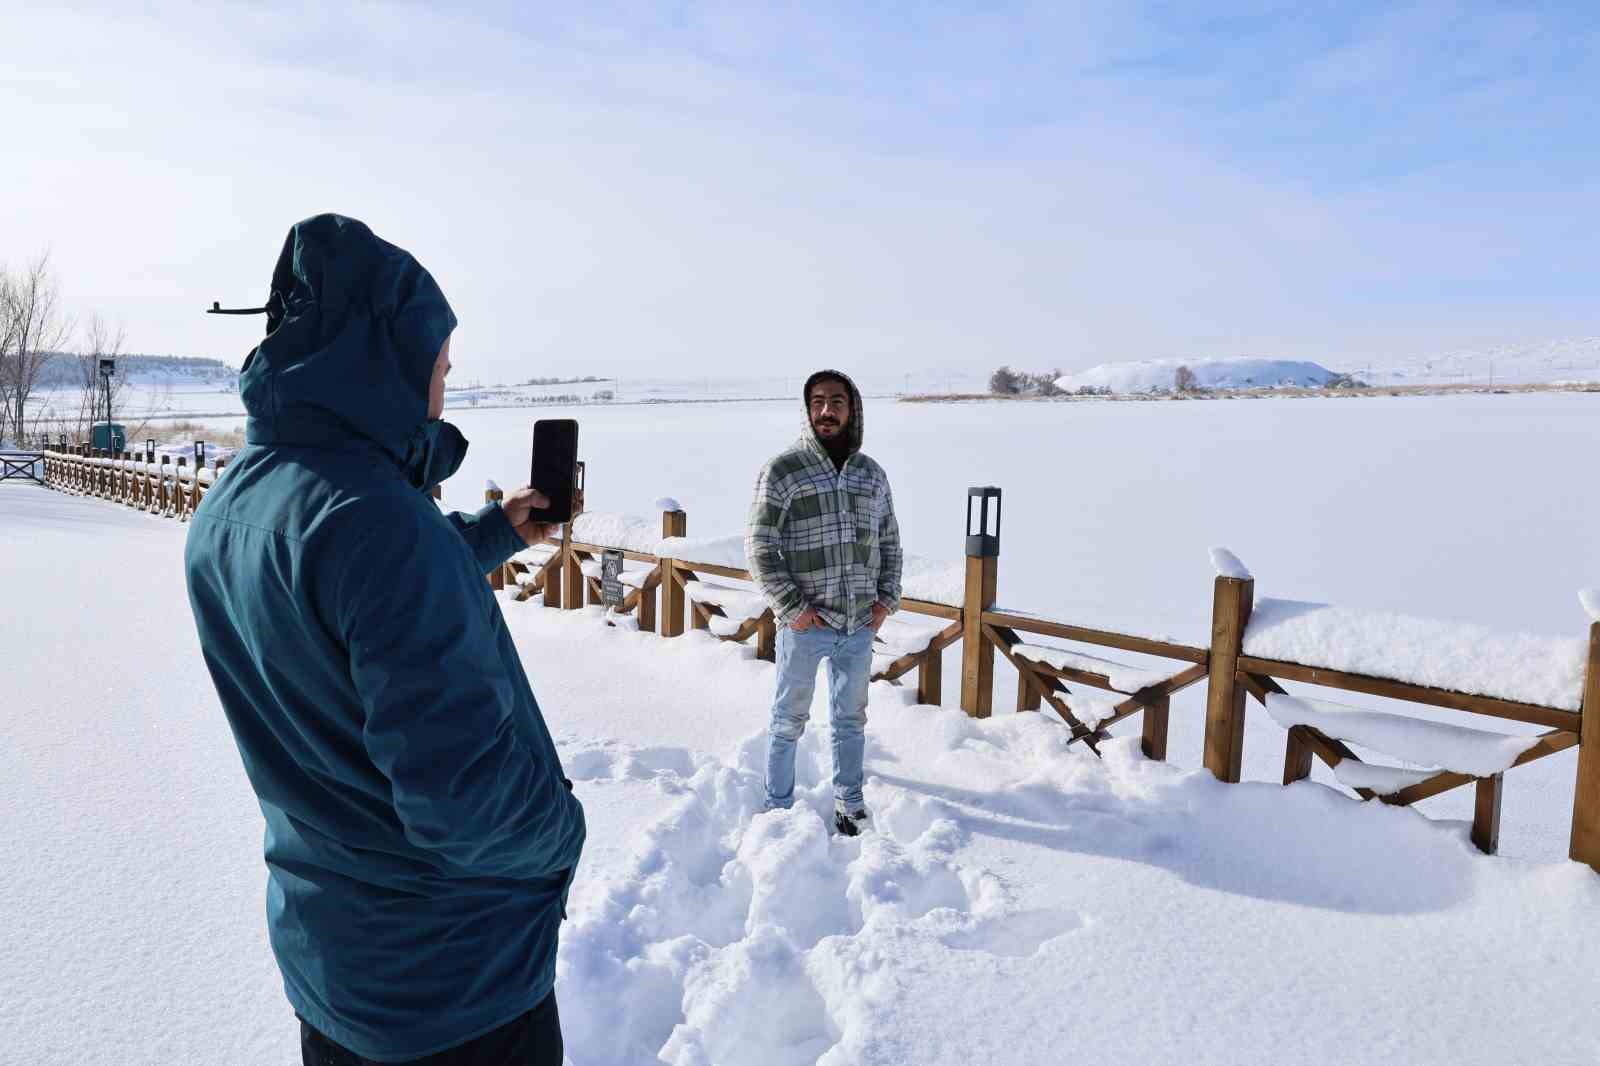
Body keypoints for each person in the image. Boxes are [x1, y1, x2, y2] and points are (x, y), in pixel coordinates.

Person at [184, 215, 585, 1065]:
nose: (445, 385)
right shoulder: (381, 524)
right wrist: (563, 828)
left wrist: (493, 533)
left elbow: (343, 600)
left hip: (334, 955)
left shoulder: (237, 499)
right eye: (438, 365)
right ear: (385, 362)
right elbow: (463, 798)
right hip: (456, 982)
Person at [745, 369, 903, 836]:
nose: (826, 411)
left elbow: (890, 542)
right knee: (787, 720)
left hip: (858, 625)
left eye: (836, 401)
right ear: (807, 409)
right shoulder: (783, 470)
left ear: (852, 409)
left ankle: (849, 803)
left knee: (851, 721)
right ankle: (778, 809)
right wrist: (793, 608)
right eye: (817, 402)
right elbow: (759, 547)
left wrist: (885, 601)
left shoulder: (871, 474)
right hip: (805, 626)